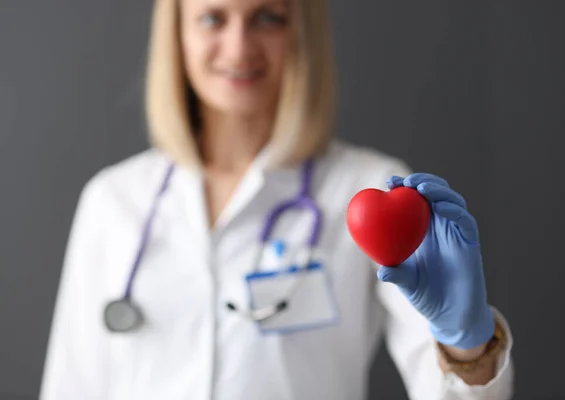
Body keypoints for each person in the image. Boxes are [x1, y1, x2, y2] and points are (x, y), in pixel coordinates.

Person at [39, 0, 515, 398]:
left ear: (301, 32)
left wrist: (468, 348)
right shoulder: (113, 201)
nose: (239, 47)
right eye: (213, 18)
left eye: (268, 17)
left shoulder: (371, 191)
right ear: (176, 33)